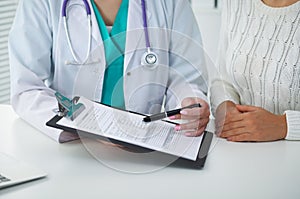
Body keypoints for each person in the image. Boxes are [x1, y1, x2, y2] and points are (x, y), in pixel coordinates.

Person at [9, 0, 210, 142]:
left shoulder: (171, 3)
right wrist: (79, 124)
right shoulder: (39, 3)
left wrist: (189, 104)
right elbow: (26, 88)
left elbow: (186, 77)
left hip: (143, 149)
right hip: (73, 148)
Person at [210, 0, 300, 142]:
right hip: (239, 150)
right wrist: (225, 106)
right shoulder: (235, 3)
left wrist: (284, 125)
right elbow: (222, 79)